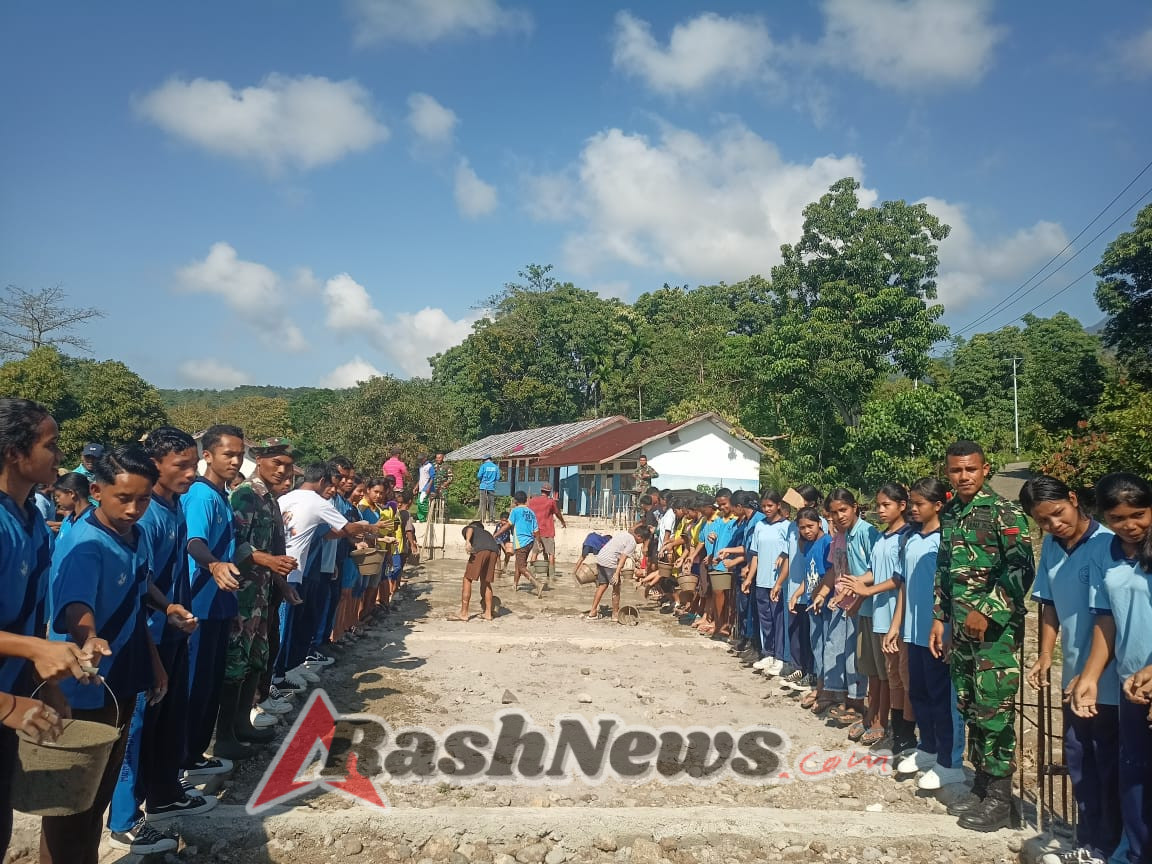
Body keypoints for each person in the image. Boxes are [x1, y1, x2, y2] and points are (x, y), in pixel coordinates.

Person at [44, 445, 174, 864]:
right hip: (84, 683)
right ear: (97, 490)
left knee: (96, 795)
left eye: (143, 499)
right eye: (124, 498)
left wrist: (153, 662)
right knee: (69, 806)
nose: (135, 508)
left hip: (121, 678)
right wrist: (90, 636)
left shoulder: (133, 537)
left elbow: (136, 602)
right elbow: (75, 607)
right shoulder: (86, 543)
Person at [106, 428, 209, 855]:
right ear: (155, 466)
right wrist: (164, 614)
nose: (190, 472)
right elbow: (140, 582)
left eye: (192, 464)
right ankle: (125, 819)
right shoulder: (144, 515)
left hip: (172, 630)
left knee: (168, 719)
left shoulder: (175, 505)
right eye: (181, 465)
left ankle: (164, 794)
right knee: (136, 729)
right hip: (145, 636)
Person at [0, 399, 89, 861]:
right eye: (50, 445)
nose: (59, 455)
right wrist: (9, 702)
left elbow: (28, 619)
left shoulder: (31, 520)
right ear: (16, 453)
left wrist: (44, 682)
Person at [931, 440, 1034, 831]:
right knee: (970, 705)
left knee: (995, 711)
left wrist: (986, 610)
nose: (963, 477)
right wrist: (940, 618)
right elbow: (945, 571)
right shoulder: (953, 512)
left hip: (996, 634)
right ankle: (982, 784)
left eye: (970, 470)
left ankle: (1000, 800)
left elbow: (1022, 568)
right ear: (948, 473)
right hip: (960, 630)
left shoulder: (1003, 510)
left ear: (985, 469)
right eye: (956, 471)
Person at [1019, 475, 1120, 864]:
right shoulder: (1052, 548)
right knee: (1080, 761)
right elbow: (1048, 604)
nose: (1054, 524)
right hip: (1073, 676)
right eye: (1043, 521)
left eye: (1058, 514)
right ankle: (1090, 841)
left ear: (1074, 500)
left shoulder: (1108, 545)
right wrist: (1046, 655)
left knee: (1109, 764)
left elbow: (1109, 618)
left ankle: (1112, 847)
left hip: (1108, 679)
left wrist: (1092, 674)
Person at [1071, 473, 1152, 864]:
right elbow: (1107, 619)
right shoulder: (1107, 551)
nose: (1130, 525)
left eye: (1139, 514)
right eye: (1118, 518)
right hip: (1131, 685)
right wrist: (1089, 677)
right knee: (1133, 777)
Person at [225, 438, 298, 753]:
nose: (283, 470)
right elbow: (236, 544)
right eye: (276, 463)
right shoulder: (245, 496)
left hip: (262, 596)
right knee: (235, 663)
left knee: (257, 659)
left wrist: (282, 586)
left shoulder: (270, 499)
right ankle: (225, 737)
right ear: (258, 461)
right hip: (242, 595)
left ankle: (243, 725)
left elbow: (273, 546)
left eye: (288, 465)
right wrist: (268, 561)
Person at [273, 463, 370, 693]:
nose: (335, 490)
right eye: (333, 484)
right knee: (285, 626)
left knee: (291, 625)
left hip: (286, 568)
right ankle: (277, 677)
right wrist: (369, 527)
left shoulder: (285, 499)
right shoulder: (315, 501)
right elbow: (345, 529)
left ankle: (288, 668)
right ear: (323, 481)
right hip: (294, 571)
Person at [895, 478, 966, 791]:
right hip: (913, 630)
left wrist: (948, 627)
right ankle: (928, 748)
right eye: (911, 502)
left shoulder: (946, 540)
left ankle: (950, 761)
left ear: (938, 505)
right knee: (919, 691)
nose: (913, 508)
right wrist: (898, 625)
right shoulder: (911, 538)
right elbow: (905, 585)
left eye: (919, 503)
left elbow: (953, 588)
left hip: (938, 630)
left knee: (942, 697)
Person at [182, 425, 244, 774]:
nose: (236, 461)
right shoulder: (202, 496)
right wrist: (214, 563)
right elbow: (195, 542)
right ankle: (181, 761)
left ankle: (194, 756)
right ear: (207, 456)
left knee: (210, 685)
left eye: (239, 455)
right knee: (195, 687)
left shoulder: (223, 496)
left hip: (220, 605)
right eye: (228, 455)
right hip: (199, 606)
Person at [841, 484, 910, 747]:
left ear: (902, 505)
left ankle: (887, 723)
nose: (880, 510)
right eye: (879, 505)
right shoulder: (883, 537)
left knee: (891, 675)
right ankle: (873, 716)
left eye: (886, 505)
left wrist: (867, 591)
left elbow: (897, 579)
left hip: (892, 613)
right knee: (876, 671)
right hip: (877, 613)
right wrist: (856, 582)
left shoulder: (905, 538)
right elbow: (873, 571)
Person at [747, 491, 792, 675]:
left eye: (770, 506)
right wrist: (750, 578)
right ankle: (768, 653)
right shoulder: (759, 526)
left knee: (778, 619)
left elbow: (789, 555)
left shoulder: (788, 527)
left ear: (778, 505)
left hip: (778, 582)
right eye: (763, 506)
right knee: (765, 619)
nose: (766, 509)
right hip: (762, 581)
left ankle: (780, 657)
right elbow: (755, 555)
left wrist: (779, 582)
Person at [787, 507, 830, 696]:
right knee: (815, 643)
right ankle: (816, 679)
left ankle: (824, 685)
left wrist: (819, 595)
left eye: (810, 526)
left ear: (820, 523)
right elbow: (809, 576)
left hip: (825, 603)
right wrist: (797, 594)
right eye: (802, 528)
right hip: (811, 602)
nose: (806, 531)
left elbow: (828, 574)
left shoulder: (827, 542)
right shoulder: (808, 546)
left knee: (825, 644)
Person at [586, 526, 651, 621]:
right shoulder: (632, 542)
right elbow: (623, 558)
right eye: (643, 540)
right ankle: (615, 614)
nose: (641, 543)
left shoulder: (624, 534)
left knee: (602, 585)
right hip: (609, 562)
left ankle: (593, 612)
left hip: (601, 558)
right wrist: (617, 573)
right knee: (616, 588)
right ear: (639, 536)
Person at [496, 490, 542, 596]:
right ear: (526, 500)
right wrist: (539, 542)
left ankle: (537, 584)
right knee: (518, 564)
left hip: (521, 542)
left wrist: (496, 534)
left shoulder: (515, 511)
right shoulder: (531, 512)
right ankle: (515, 585)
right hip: (530, 541)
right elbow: (536, 530)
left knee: (521, 567)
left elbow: (508, 525)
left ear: (515, 501)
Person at [453, 521, 499, 621]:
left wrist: (468, 541)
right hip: (495, 551)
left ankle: (464, 613)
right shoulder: (487, 533)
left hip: (481, 550)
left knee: (467, 578)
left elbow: (470, 529)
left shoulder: (471, 528)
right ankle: (488, 613)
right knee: (486, 581)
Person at [528, 483, 566, 580]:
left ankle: (532, 575)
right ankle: (552, 577)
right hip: (548, 531)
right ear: (549, 492)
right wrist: (563, 522)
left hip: (535, 531)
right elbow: (557, 513)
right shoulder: (551, 502)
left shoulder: (532, 501)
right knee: (551, 554)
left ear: (541, 491)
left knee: (534, 554)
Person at [52, 471, 92, 542]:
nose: (57, 500)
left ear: (71, 493)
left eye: (58, 496)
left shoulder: (92, 521)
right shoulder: (68, 519)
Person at [476, 455, 500, 523]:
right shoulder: (496, 467)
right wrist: (492, 481)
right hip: (491, 487)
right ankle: (492, 519)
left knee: (483, 503)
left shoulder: (483, 466)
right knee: (491, 503)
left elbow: (479, 476)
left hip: (483, 487)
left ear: (485, 460)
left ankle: (482, 519)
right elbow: (498, 478)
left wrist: (483, 480)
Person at [415, 454, 433, 522]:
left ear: (425, 458)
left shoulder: (429, 466)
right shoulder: (421, 467)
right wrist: (416, 486)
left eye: (421, 459)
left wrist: (428, 487)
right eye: (419, 460)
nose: (420, 461)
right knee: (419, 503)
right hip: (421, 487)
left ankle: (425, 517)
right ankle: (421, 518)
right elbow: (420, 478)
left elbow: (432, 477)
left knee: (422, 502)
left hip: (426, 487)